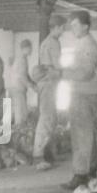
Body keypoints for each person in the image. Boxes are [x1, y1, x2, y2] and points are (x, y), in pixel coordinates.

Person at [60, 11, 97, 190]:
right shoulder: (82, 43)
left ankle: (80, 175)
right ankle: (92, 169)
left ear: (86, 26)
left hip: (84, 94)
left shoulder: (89, 45)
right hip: (82, 92)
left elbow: (86, 73)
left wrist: (61, 73)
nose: (72, 28)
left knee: (80, 134)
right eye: (71, 25)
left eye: (75, 25)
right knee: (87, 132)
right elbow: (79, 68)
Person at [32, 15, 67, 170]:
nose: (64, 30)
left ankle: (47, 154)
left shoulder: (49, 41)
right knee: (47, 118)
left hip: (48, 83)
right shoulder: (52, 43)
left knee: (50, 118)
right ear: (56, 27)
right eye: (62, 27)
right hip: (48, 82)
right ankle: (38, 156)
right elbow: (56, 67)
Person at [8, 39, 35, 126]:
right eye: (30, 48)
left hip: (16, 87)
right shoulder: (21, 59)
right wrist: (31, 86)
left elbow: (25, 74)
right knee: (20, 114)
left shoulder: (23, 58)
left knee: (20, 111)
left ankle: (17, 130)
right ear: (26, 48)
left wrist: (32, 82)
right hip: (18, 88)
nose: (31, 50)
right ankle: (18, 133)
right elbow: (21, 76)